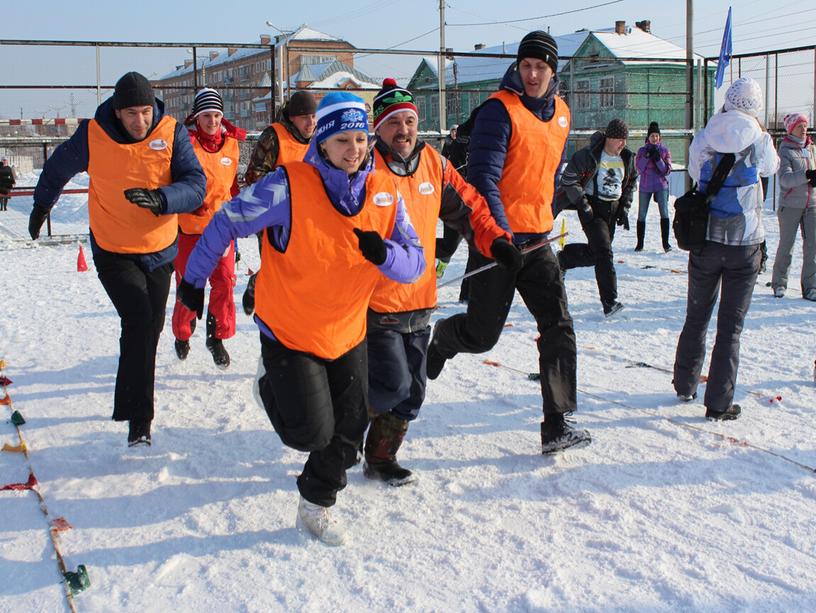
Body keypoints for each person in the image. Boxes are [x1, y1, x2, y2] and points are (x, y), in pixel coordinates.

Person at [175, 92, 425, 545]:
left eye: (360, 139)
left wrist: (384, 253)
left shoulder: (385, 193)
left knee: (348, 435)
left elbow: (415, 263)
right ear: (323, 144)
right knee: (310, 431)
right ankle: (269, 380)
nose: (354, 150)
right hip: (289, 330)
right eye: (343, 141)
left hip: (346, 331)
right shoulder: (287, 187)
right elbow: (227, 220)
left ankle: (316, 504)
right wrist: (193, 282)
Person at [426, 30, 591, 454]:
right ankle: (444, 337)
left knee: (558, 324)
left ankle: (557, 421)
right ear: (517, 68)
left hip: (537, 241)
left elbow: (544, 174)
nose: (533, 74)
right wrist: (500, 235)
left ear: (554, 71)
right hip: (496, 241)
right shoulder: (499, 111)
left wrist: (554, 207)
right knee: (482, 336)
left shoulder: (562, 116)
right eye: (526, 65)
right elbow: (483, 179)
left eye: (541, 66)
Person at [28, 71, 206, 446]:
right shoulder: (93, 134)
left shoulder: (172, 132)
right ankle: (139, 420)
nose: (139, 121)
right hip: (113, 250)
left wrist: (163, 199)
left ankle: (135, 404)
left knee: (149, 328)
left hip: (160, 249)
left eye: (144, 112)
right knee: (139, 319)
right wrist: (43, 203)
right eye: (130, 114)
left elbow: (195, 185)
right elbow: (59, 166)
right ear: (116, 111)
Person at [364, 79, 520, 485]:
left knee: (412, 392)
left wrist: (497, 242)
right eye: (393, 122)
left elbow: (471, 208)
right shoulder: (362, 166)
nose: (403, 129)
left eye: (410, 120)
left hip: (420, 300)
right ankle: (339, 438)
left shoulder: (434, 163)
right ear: (378, 128)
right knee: (388, 385)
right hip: (374, 301)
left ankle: (380, 459)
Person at [673, 77, 780, 421]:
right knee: (730, 327)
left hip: (705, 240)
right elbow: (771, 168)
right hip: (745, 244)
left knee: (696, 316)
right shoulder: (760, 139)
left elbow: (693, 170)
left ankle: (685, 383)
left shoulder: (706, 135)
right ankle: (718, 403)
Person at [172, 88, 246, 367]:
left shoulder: (232, 146)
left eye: (216, 115)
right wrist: (187, 202)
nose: (212, 121)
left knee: (225, 280)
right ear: (197, 117)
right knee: (188, 283)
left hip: (221, 228)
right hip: (189, 228)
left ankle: (217, 337)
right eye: (206, 115)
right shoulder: (186, 144)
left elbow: (233, 187)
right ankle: (182, 332)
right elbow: (174, 181)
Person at [242, 91, 317, 316]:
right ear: (292, 117)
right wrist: (286, 191)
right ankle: (262, 293)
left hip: (307, 215)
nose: (310, 122)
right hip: (273, 214)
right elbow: (254, 175)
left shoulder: (319, 140)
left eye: (313, 117)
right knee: (278, 266)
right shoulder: (274, 136)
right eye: (305, 117)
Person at [558, 118, 636, 317]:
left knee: (597, 253)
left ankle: (564, 259)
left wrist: (624, 208)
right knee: (604, 252)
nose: (623, 144)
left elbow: (630, 182)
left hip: (613, 209)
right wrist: (582, 204)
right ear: (610, 137)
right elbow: (569, 179)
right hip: (593, 209)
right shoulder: (590, 155)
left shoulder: (626, 157)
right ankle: (610, 303)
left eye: (625, 140)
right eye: (620, 139)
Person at [771, 112, 816, 300]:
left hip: (812, 204)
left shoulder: (811, 147)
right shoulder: (785, 150)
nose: (804, 129)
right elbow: (785, 179)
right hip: (790, 205)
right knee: (786, 245)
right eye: (799, 126)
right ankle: (779, 283)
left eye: (805, 125)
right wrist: (807, 175)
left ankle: (811, 286)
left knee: (813, 247)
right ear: (791, 129)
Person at [634, 121, 673, 252]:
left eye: (656, 136)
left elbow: (666, 171)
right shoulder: (642, 151)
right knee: (642, 214)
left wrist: (658, 159)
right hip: (645, 186)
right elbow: (639, 168)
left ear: (659, 137)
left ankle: (666, 244)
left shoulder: (664, 150)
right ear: (648, 138)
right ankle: (640, 244)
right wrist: (646, 157)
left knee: (664, 213)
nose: (654, 138)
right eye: (652, 136)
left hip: (660, 185)